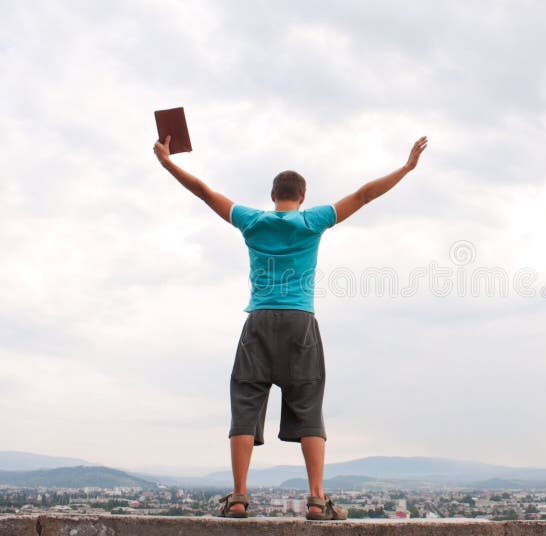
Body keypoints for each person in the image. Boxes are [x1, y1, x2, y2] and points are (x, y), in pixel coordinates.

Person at [152, 134, 428, 520]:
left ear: (272, 195)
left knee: (245, 406)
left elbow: (203, 191)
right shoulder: (311, 221)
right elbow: (364, 195)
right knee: (309, 407)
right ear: (302, 195)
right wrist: (406, 167)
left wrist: (168, 163)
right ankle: (316, 500)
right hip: (300, 323)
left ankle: (238, 498)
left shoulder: (252, 220)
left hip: (259, 321)